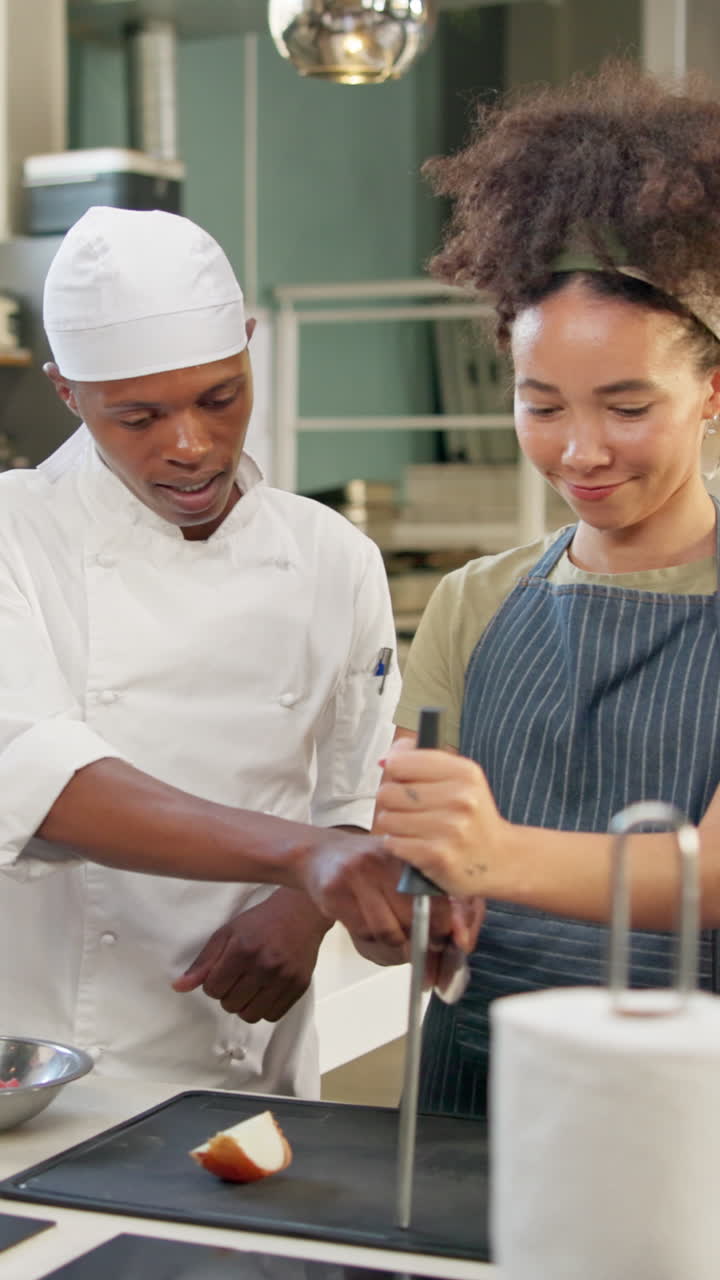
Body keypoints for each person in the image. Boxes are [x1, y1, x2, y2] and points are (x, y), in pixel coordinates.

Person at [0, 205, 468, 1096]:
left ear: (250, 347)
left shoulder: (333, 555)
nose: (189, 445)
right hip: (47, 1063)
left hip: (246, 1053)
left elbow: (351, 788)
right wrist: (301, 860)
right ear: (68, 392)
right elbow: (39, 783)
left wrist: (304, 910)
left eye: (221, 398)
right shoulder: (12, 533)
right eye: (137, 417)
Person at [373, 63, 720, 1118]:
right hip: (479, 1076)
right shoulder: (475, 604)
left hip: (688, 1088)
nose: (580, 451)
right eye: (541, 404)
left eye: (626, 405)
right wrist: (415, 891)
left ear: (711, 390)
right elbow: (419, 839)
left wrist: (497, 853)